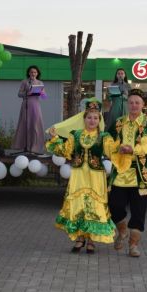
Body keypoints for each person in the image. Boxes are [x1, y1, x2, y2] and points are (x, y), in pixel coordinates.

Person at [46, 99, 116, 253]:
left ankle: (91, 239)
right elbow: (64, 151)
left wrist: (123, 148)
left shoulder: (104, 137)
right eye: (89, 117)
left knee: (94, 207)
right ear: (84, 119)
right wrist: (54, 138)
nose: (92, 120)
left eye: (95, 118)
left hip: (96, 177)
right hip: (78, 175)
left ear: (99, 120)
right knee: (79, 206)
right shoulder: (75, 135)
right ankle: (80, 238)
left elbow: (113, 152)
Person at [107, 89, 147, 257]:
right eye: (131, 102)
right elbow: (112, 142)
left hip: (140, 174)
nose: (134, 105)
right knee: (114, 205)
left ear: (143, 105)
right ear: (127, 105)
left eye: (137, 102)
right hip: (120, 172)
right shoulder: (120, 122)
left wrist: (131, 150)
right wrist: (114, 148)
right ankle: (122, 231)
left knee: (138, 211)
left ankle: (133, 245)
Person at [12, 65, 45, 153]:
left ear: (37, 73)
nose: (33, 74)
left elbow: (44, 97)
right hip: (26, 105)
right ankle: (24, 146)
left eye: (35, 72)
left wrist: (41, 93)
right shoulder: (25, 82)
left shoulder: (40, 83)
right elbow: (19, 94)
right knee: (25, 125)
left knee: (35, 125)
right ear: (28, 73)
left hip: (36, 106)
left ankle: (35, 147)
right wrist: (27, 93)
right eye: (31, 72)